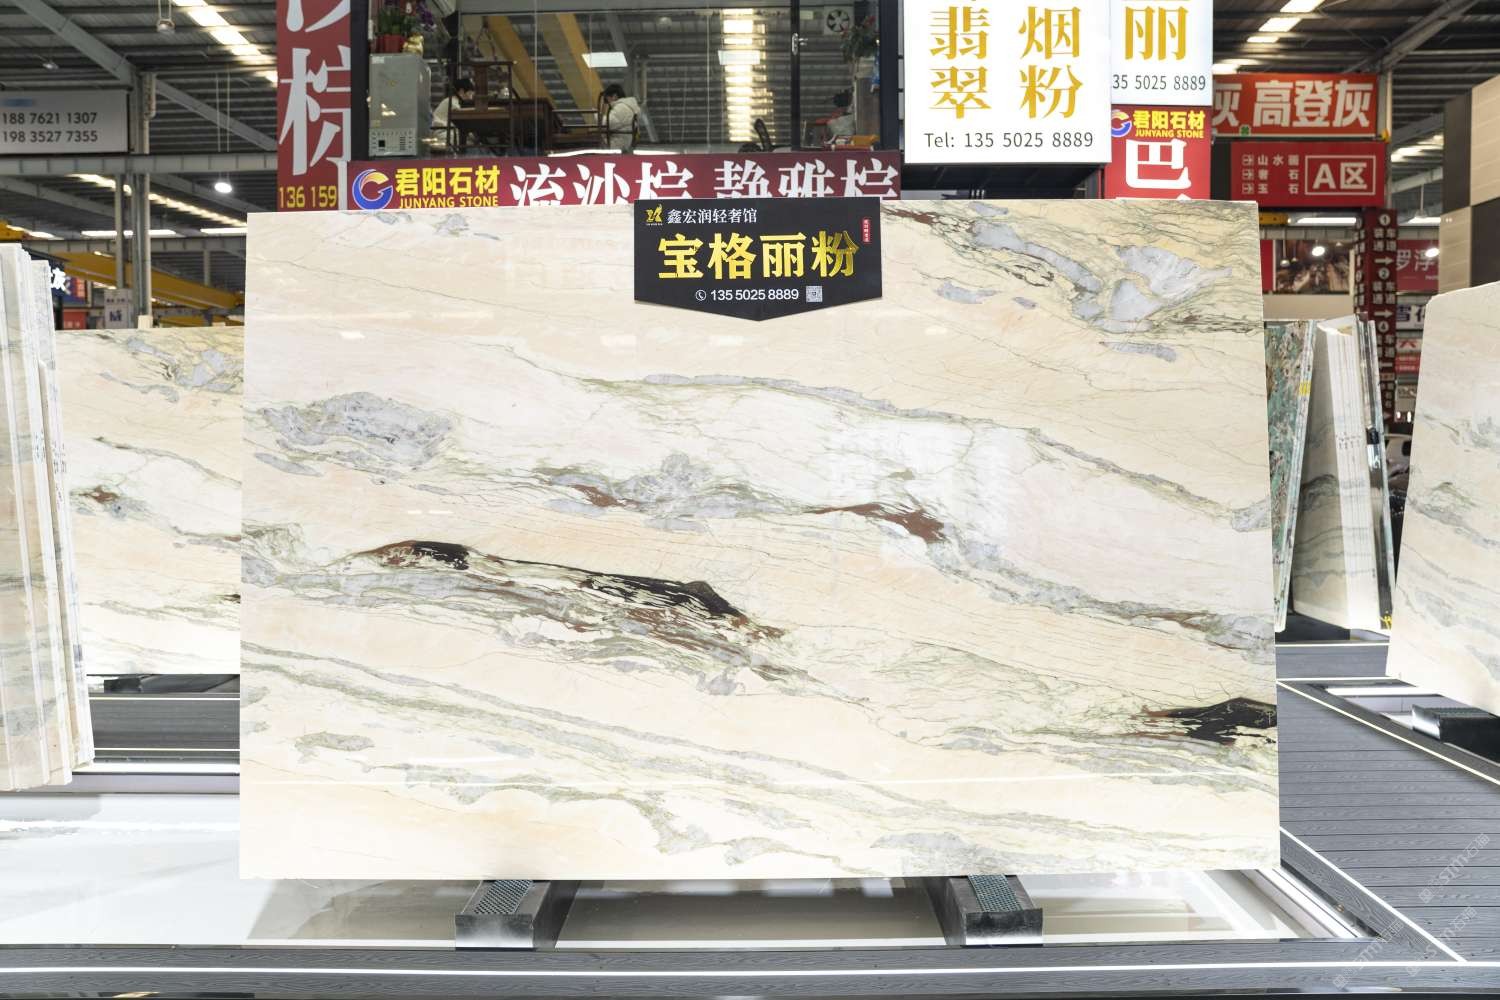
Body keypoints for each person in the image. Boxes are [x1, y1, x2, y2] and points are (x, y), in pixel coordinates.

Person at [603, 83, 641, 152]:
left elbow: (608, 123)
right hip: (625, 140)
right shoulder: (628, 106)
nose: (608, 103)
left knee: (593, 145)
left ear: (614, 96)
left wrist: (596, 117)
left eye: (608, 99)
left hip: (618, 142)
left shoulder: (621, 108)